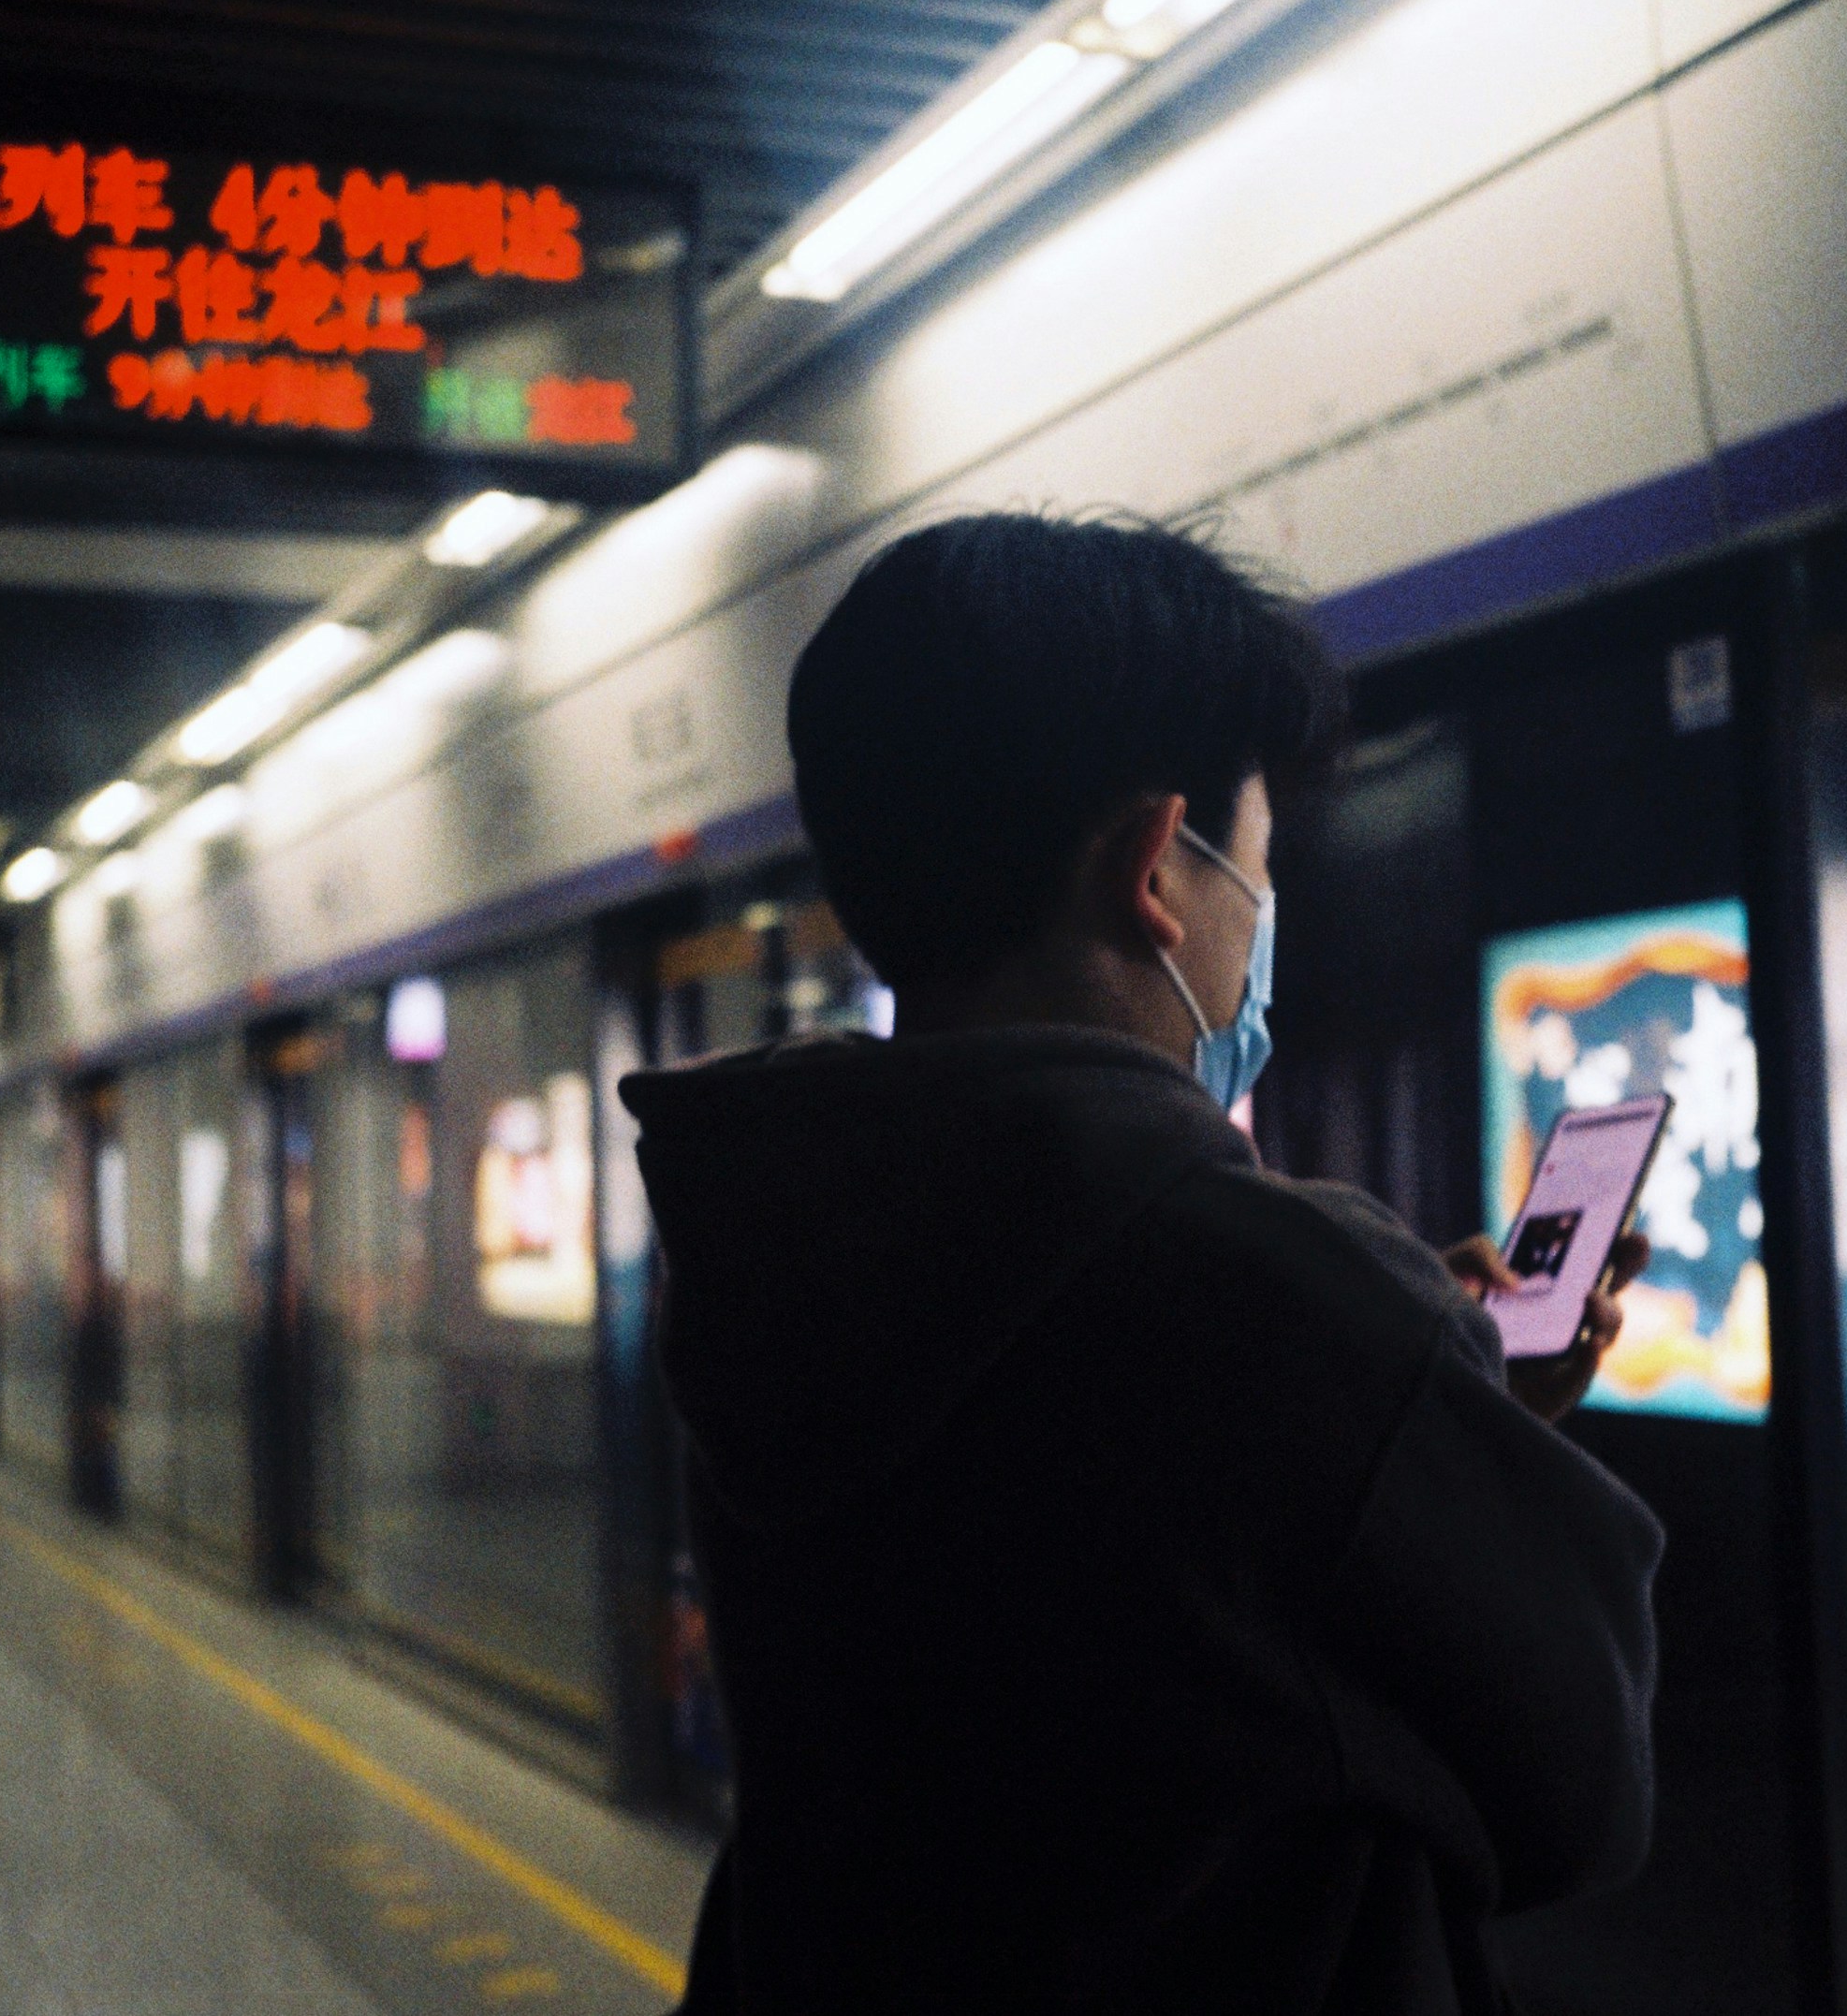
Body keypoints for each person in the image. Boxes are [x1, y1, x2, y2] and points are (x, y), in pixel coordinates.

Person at [621, 513, 1664, 2012]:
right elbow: (1577, 1791)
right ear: (1155, 872)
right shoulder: (1294, 1310)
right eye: (1255, 865)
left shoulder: (773, 1237)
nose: (1259, 925)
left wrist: (1429, 1386)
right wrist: (1410, 1384)